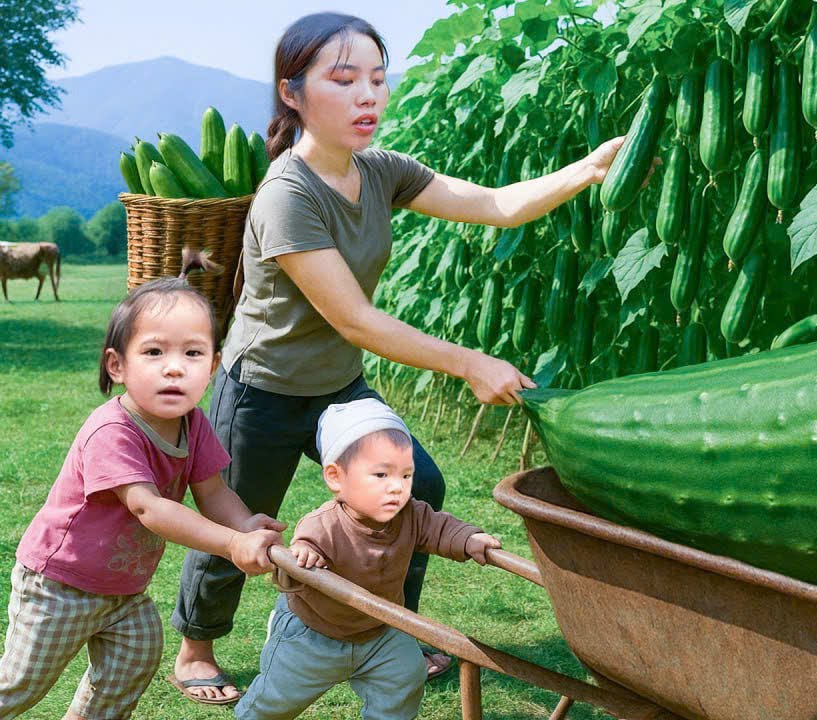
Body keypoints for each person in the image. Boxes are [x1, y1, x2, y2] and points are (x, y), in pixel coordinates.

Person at [170, 12, 628, 703]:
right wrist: (469, 361)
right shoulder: (286, 197)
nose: (368, 98)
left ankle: (388, 624)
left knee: (415, 490)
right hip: (264, 386)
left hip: (338, 385)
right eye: (345, 79)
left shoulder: (382, 171)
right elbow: (355, 317)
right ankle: (197, 645)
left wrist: (586, 171)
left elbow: (499, 204)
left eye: (378, 81)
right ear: (292, 93)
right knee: (241, 517)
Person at [0, 253, 286, 718]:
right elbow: (149, 509)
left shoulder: (193, 425)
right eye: (154, 353)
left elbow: (213, 492)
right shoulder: (113, 430)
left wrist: (245, 521)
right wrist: (235, 543)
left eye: (191, 354)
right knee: (19, 685)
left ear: (212, 366)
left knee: (134, 660)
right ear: (117, 364)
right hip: (61, 585)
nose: (174, 369)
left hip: (124, 590)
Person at [235, 398, 500, 719]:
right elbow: (297, 559)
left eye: (405, 475)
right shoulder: (323, 525)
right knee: (275, 702)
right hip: (315, 635)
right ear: (336, 478)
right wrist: (305, 556)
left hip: (381, 631)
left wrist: (469, 539)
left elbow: (440, 526)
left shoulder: (412, 514)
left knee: (405, 678)